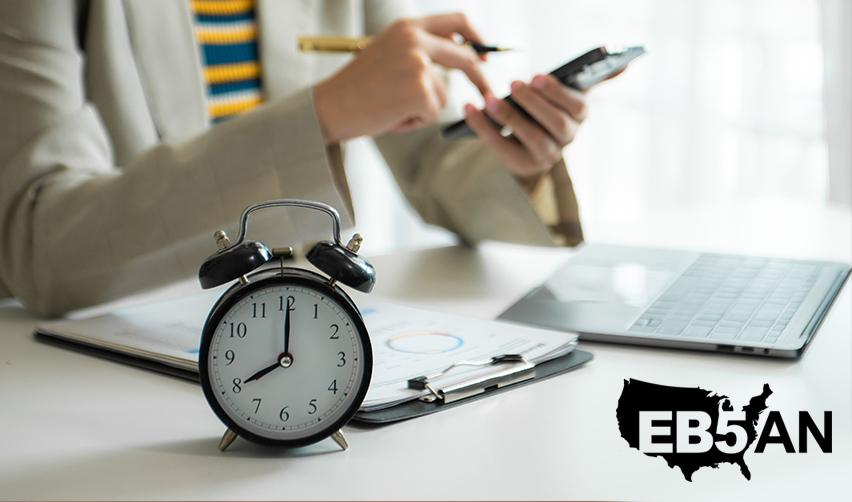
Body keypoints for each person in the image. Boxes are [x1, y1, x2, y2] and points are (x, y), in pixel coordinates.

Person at [0, 0, 594, 317]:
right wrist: (324, 113)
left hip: (301, 328)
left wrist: (521, 161)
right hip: (97, 356)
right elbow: (38, 242)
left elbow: (434, 164)